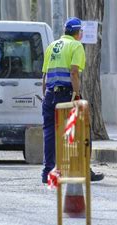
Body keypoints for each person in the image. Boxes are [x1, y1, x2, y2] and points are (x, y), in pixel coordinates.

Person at [41, 17, 104, 184]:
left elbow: (45, 75)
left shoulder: (52, 46)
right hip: (66, 94)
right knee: (81, 132)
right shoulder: (76, 46)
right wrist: (76, 94)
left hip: (49, 95)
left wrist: (46, 95)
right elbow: (74, 72)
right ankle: (82, 169)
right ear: (78, 33)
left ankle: (48, 171)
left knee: (49, 133)